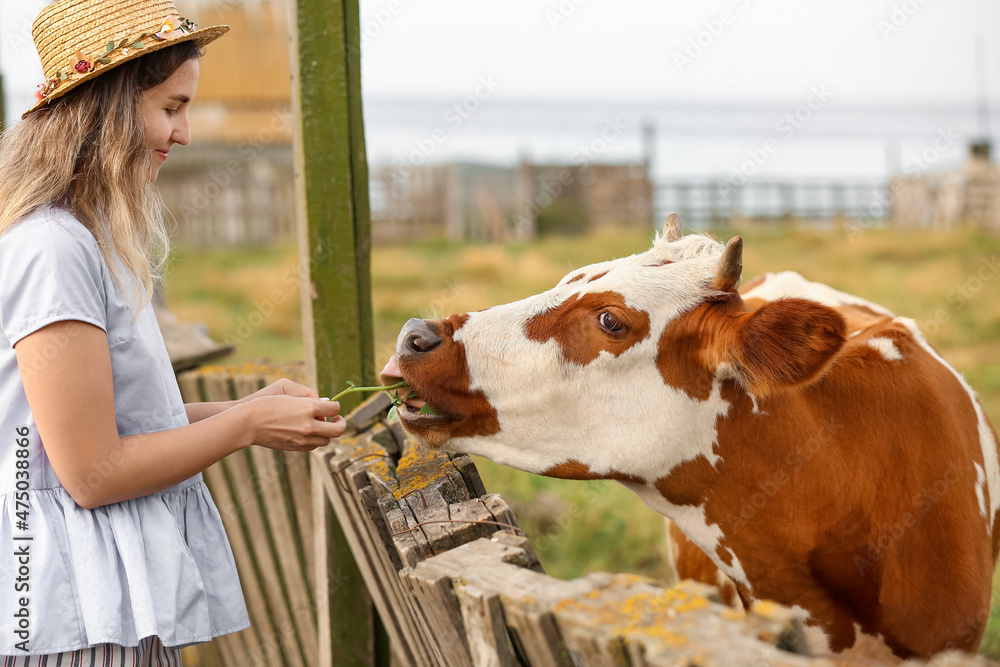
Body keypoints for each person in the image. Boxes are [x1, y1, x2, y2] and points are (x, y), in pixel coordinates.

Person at [0, 0, 346, 662]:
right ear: (105, 108)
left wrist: (247, 407)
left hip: (100, 594)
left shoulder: (83, 239)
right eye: (171, 106)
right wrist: (244, 429)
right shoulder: (53, 250)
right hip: (73, 604)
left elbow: (106, 423)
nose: (183, 131)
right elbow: (92, 472)